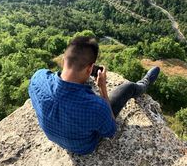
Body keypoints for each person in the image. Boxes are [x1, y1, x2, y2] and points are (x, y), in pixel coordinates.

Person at [28, 36, 160, 155]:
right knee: (128, 87)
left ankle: (74, 73)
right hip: (82, 147)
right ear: (90, 69)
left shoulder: (37, 78)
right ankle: (143, 85)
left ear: (63, 61)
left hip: (54, 135)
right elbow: (111, 131)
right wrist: (102, 88)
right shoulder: (97, 107)